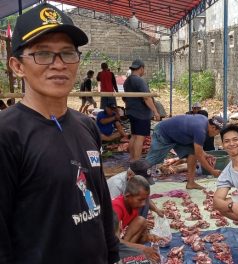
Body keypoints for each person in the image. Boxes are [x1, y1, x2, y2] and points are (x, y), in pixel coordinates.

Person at [0, 3, 119, 263]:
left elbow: (100, 200)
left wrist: (111, 253)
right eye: (43, 54)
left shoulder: (85, 125)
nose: (58, 64)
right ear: (17, 66)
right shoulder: (7, 134)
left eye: (67, 53)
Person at [144, 114, 225, 190]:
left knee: (192, 154)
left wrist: (206, 155)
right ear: (213, 127)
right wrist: (212, 171)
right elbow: (199, 155)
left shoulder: (204, 121)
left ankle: (191, 183)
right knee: (151, 160)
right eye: (217, 133)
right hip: (163, 132)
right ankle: (134, 175)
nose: (215, 135)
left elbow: (198, 151)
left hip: (177, 136)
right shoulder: (201, 131)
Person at [123, 59, 160, 161]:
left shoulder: (127, 81)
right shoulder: (139, 80)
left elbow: (124, 98)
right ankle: (136, 160)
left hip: (131, 111)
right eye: (144, 69)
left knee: (134, 136)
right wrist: (155, 111)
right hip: (141, 113)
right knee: (140, 137)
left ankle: (132, 158)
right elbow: (147, 97)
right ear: (141, 68)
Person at [112, 176, 159, 248]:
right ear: (127, 196)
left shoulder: (133, 206)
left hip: (120, 239)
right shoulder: (116, 207)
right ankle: (123, 251)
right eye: (140, 200)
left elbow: (139, 236)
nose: (143, 204)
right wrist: (143, 248)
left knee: (141, 221)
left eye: (145, 200)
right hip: (108, 243)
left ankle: (126, 250)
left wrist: (149, 237)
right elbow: (114, 241)